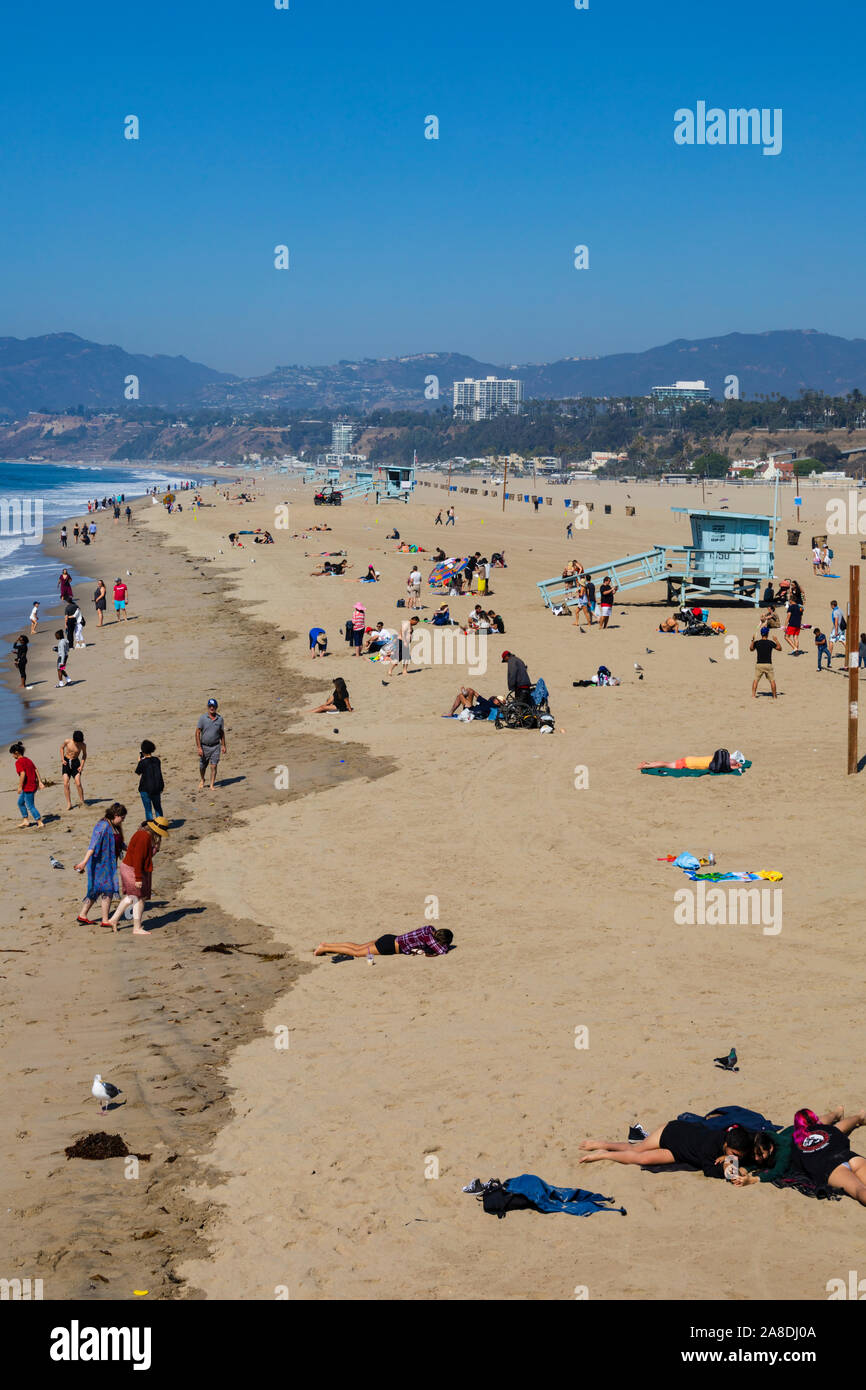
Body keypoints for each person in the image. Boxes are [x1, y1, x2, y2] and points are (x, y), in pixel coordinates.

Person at [578, 1119, 754, 1177]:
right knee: (638, 1149)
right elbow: (709, 1170)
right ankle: (603, 1145)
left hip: (678, 1152)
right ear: (726, 1145)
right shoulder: (711, 1147)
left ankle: (605, 1155)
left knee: (642, 1159)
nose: (735, 1157)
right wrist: (728, 1165)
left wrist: (730, 1159)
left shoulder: (737, 1142)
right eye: (733, 1154)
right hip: (672, 1132)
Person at [106, 819, 169, 935]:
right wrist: (138, 878)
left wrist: (156, 847)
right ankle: (136, 927)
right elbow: (138, 859)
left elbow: (147, 856)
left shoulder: (145, 835)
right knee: (139, 898)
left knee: (133, 897)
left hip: (132, 867)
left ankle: (113, 920)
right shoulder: (143, 837)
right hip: (132, 868)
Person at [74, 803, 127, 925]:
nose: (123, 820)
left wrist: (130, 849)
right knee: (108, 889)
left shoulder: (115, 826)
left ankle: (82, 915)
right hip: (99, 863)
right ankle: (105, 920)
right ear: (115, 815)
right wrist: (84, 862)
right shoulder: (102, 826)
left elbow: (119, 843)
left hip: (109, 863)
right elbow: (92, 845)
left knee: (96, 890)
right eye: (122, 818)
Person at [314, 925, 453, 958]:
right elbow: (442, 951)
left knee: (358, 946)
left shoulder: (429, 929)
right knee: (356, 953)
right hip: (389, 946)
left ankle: (327, 945)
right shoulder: (429, 938)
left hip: (390, 938)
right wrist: (446, 946)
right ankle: (324, 948)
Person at [10, 741, 44, 828]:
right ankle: (25, 820)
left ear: (16, 753)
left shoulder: (18, 762)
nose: (12, 756)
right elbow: (36, 770)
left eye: (12, 754)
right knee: (20, 802)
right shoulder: (28, 759)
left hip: (28, 787)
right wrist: (39, 782)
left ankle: (39, 821)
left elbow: (22, 774)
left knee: (30, 805)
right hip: (32, 785)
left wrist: (20, 786)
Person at [196, 697, 226, 790]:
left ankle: (212, 784)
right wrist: (199, 747)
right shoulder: (203, 718)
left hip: (216, 746)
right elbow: (197, 732)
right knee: (202, 766)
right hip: (204, 746)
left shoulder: (220, 719)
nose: (212, 708)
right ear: (208, 707)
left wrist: (223, 745)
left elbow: (221, 733)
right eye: (210, 706)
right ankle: (202, 779)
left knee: (214, 766)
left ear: (216, 707)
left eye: (213, 706)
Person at [750, 626, 781, 699]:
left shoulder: (757, 642)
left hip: (759, 664)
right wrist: (776, 640)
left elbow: (751, 649)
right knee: (772, 681)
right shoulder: (770, 642)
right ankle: (774, 696)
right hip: (768, 664)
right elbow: (779, 648)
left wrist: (752, 640)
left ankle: (753, 695)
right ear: (767, 634)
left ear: (761, 634)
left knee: (756, 680)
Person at [136, 740, 164, 819]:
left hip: (145, 788)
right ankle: (160, 825)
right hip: (157, 787)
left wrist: (139, 762)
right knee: (158, 808)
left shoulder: (143, 762)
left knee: (148, 810)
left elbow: (138, 772)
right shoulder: (157, 760)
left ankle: (151, 827)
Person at [638, 751, 746, 771]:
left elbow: (735, 764)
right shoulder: (718, 764)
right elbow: (736, 766)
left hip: (690, 759)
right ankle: (646, 766)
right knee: (667, 764)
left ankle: (648, 763)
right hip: (687, 763)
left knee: (667, 763)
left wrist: (736, 763)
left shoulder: (715, 758)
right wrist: (737, 765)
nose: (735, 761)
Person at [60, 730, 87, 808]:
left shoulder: (83, 745)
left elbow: (84, 755)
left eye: (79, 742)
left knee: (78, 783)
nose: (77, 744)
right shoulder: (67, 741)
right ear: (73, 739)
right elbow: (61, 748)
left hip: (76, 763)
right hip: (66, 763)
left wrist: (81, 766)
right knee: (66, 783)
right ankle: (69, 804)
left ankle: (82, 801)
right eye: (76, 742)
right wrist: (62, 759)